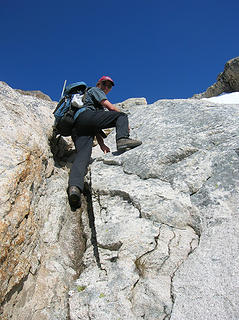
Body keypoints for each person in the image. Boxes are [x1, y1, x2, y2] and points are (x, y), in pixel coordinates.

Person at [67, 76, 142, 210]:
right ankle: (122, 139)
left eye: (109, 86)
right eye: (105, 84)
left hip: (79, 127)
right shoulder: (95, 90)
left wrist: (101, 144)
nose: (106, 87)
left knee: (82, 158)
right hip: (86, 118)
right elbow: (111, 108)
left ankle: (74, 189)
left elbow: (94, 125)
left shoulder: (92, 103)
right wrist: (123, 120)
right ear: (99, 84)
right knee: (121, 115)